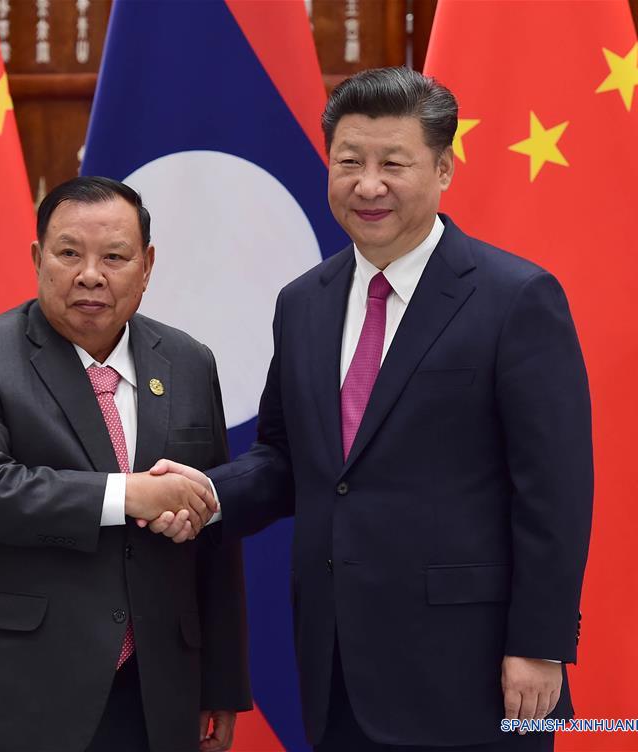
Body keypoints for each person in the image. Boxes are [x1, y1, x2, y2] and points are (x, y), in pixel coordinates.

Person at [150, 67, 593, 752]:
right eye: (349, 162)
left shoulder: (516, 298)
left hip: (473, 669)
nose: (368, 185)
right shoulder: (305, 302)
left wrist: (539, 643)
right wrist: (205, 492)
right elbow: (285, 458)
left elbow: (555, 492)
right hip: (336, 663)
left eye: (394, 163)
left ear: (443, 169)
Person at [0, 177, 250, 752]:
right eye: (69, 252)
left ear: (146, 267)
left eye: (115, 257)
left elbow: (211, 534)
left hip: (153, 695)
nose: (90, 275)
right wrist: (129, 495)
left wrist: (220, 681)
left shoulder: (187, 362)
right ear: (37, 257)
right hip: (18, 691)